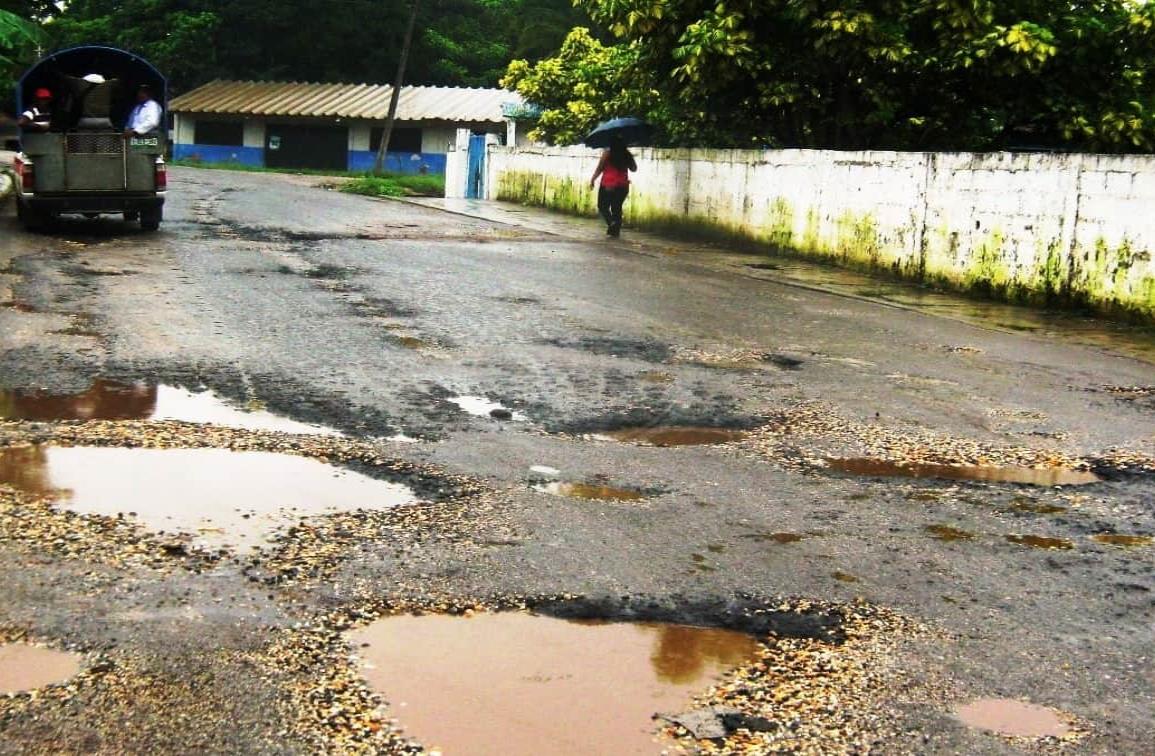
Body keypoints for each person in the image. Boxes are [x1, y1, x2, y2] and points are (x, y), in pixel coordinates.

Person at [588, 136, 637, 237]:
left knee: (602, 206)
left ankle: (611, 223)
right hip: (623, 185)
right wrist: (629, 158)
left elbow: (599, 168)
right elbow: (634, 168)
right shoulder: (626, 154)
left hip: (608, 184)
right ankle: (615, 231)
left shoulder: (607, 153)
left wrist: (593, 179)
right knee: (617, 207)